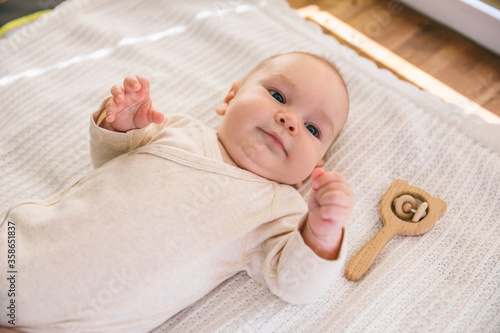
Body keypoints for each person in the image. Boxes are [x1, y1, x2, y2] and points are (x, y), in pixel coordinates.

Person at [0, 51, 353, 332]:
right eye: (278, 95)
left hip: (76, 321)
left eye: (311, 127)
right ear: (230, 98)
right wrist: (120, 124)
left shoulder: (278, 210)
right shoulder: (180, 129)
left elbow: (295, 284)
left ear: (314, 167)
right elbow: (110, 162)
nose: (290, 119)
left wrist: (321, 233)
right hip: (25, 246)